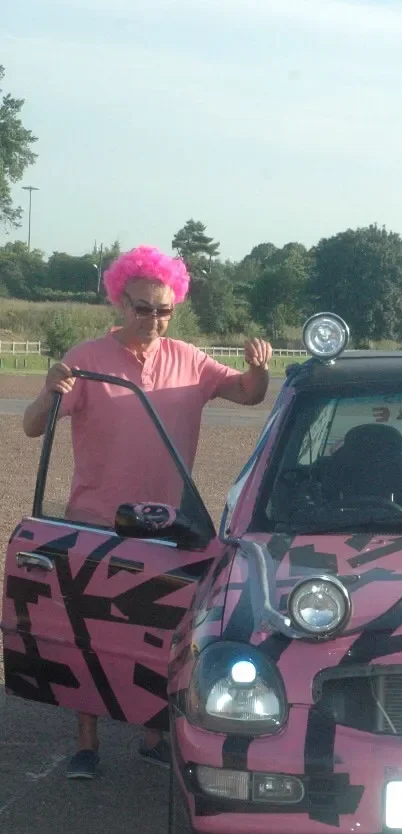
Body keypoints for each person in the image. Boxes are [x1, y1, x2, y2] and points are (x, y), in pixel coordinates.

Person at [22, 246, 274, 778]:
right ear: (120, 302)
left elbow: (248, 396)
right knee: (85, 632)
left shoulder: (191, 359)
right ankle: (87, 743)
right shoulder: (87, 359)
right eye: (142, 308)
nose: (153, 320)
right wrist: (50, 389)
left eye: (163, 309)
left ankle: (152, 735)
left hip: (167, 525)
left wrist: (258, 371)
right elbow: (32, 426)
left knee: (160, 631)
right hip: (95, 520)